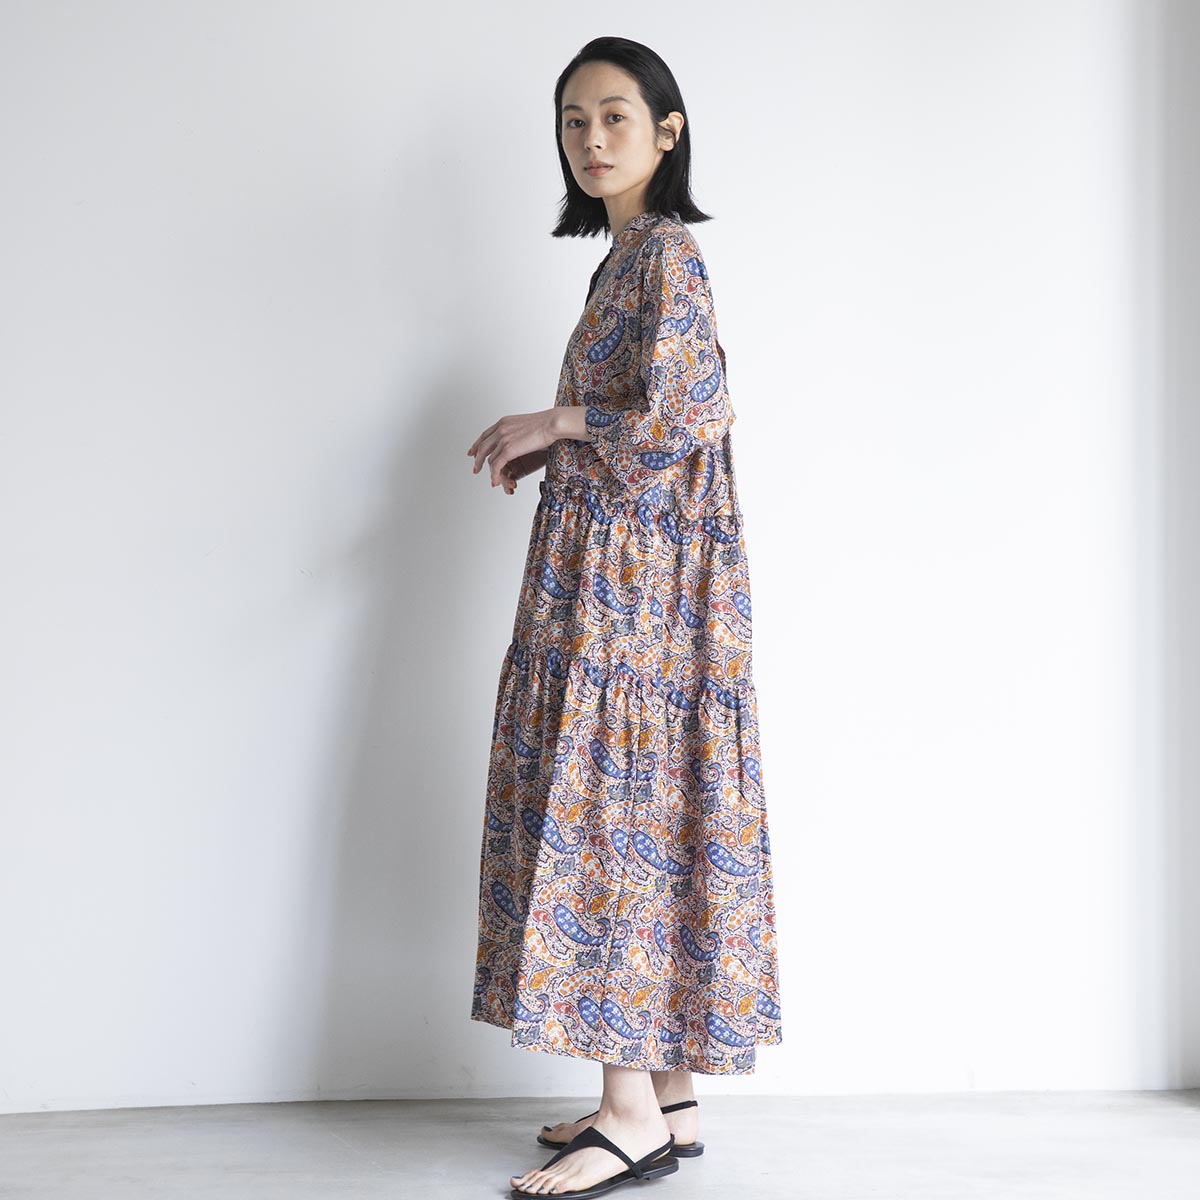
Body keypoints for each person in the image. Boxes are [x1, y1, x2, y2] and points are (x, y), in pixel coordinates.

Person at [466, 36, 782, 1200]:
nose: (591, 140)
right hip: (624, 573)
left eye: (614, 117)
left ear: (667, 130)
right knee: (643, 804)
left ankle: (628, 1112)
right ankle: (670, 1095)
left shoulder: (667, 256)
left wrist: (557, 422)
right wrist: (557, 443)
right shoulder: (625, 261)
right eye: (573, 121)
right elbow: (644, 422)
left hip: (635, 598)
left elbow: (689, 414)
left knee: (615, 809)